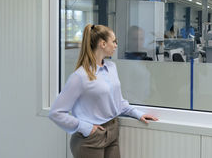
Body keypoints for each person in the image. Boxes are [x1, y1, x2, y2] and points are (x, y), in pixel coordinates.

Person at [49, 24, 158, 158]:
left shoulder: (112, 68)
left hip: (112, 130)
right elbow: (56, 113)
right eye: (114, 41)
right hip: (90, 139)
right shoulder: (80, 76)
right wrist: (86, 128)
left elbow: (118, 102)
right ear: (103, 44)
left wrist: (137, 113)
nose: (116, 45)